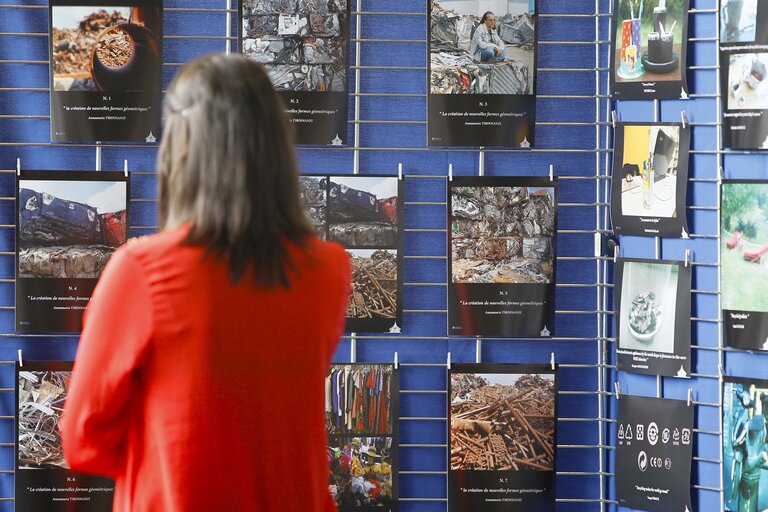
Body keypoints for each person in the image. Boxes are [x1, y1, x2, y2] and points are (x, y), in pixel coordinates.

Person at [60, 53, 351, 512]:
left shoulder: (141, 270)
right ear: (276, 145)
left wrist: (170, 448)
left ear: (180, 148)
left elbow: (82, 440)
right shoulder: (330, 270)